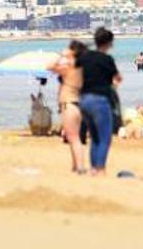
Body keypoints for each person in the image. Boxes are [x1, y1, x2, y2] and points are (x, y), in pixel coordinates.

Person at [78, 27, 122, 175]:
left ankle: (93, 168)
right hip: (99, 100)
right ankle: (100, 168)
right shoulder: (107, 59)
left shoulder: (85, 57)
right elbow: (118, 78)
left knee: (95, 137)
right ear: (108, 43)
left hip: (84, 99)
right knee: (104, 138)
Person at [48, 39, 86, 173]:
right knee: (73, 137)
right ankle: (76, 166)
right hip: (77, 104)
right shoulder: (81, 69)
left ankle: (80, 166)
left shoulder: (69, 68)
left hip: (69, 104)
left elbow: (49, 66)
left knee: (73, 138)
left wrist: (61, 55)